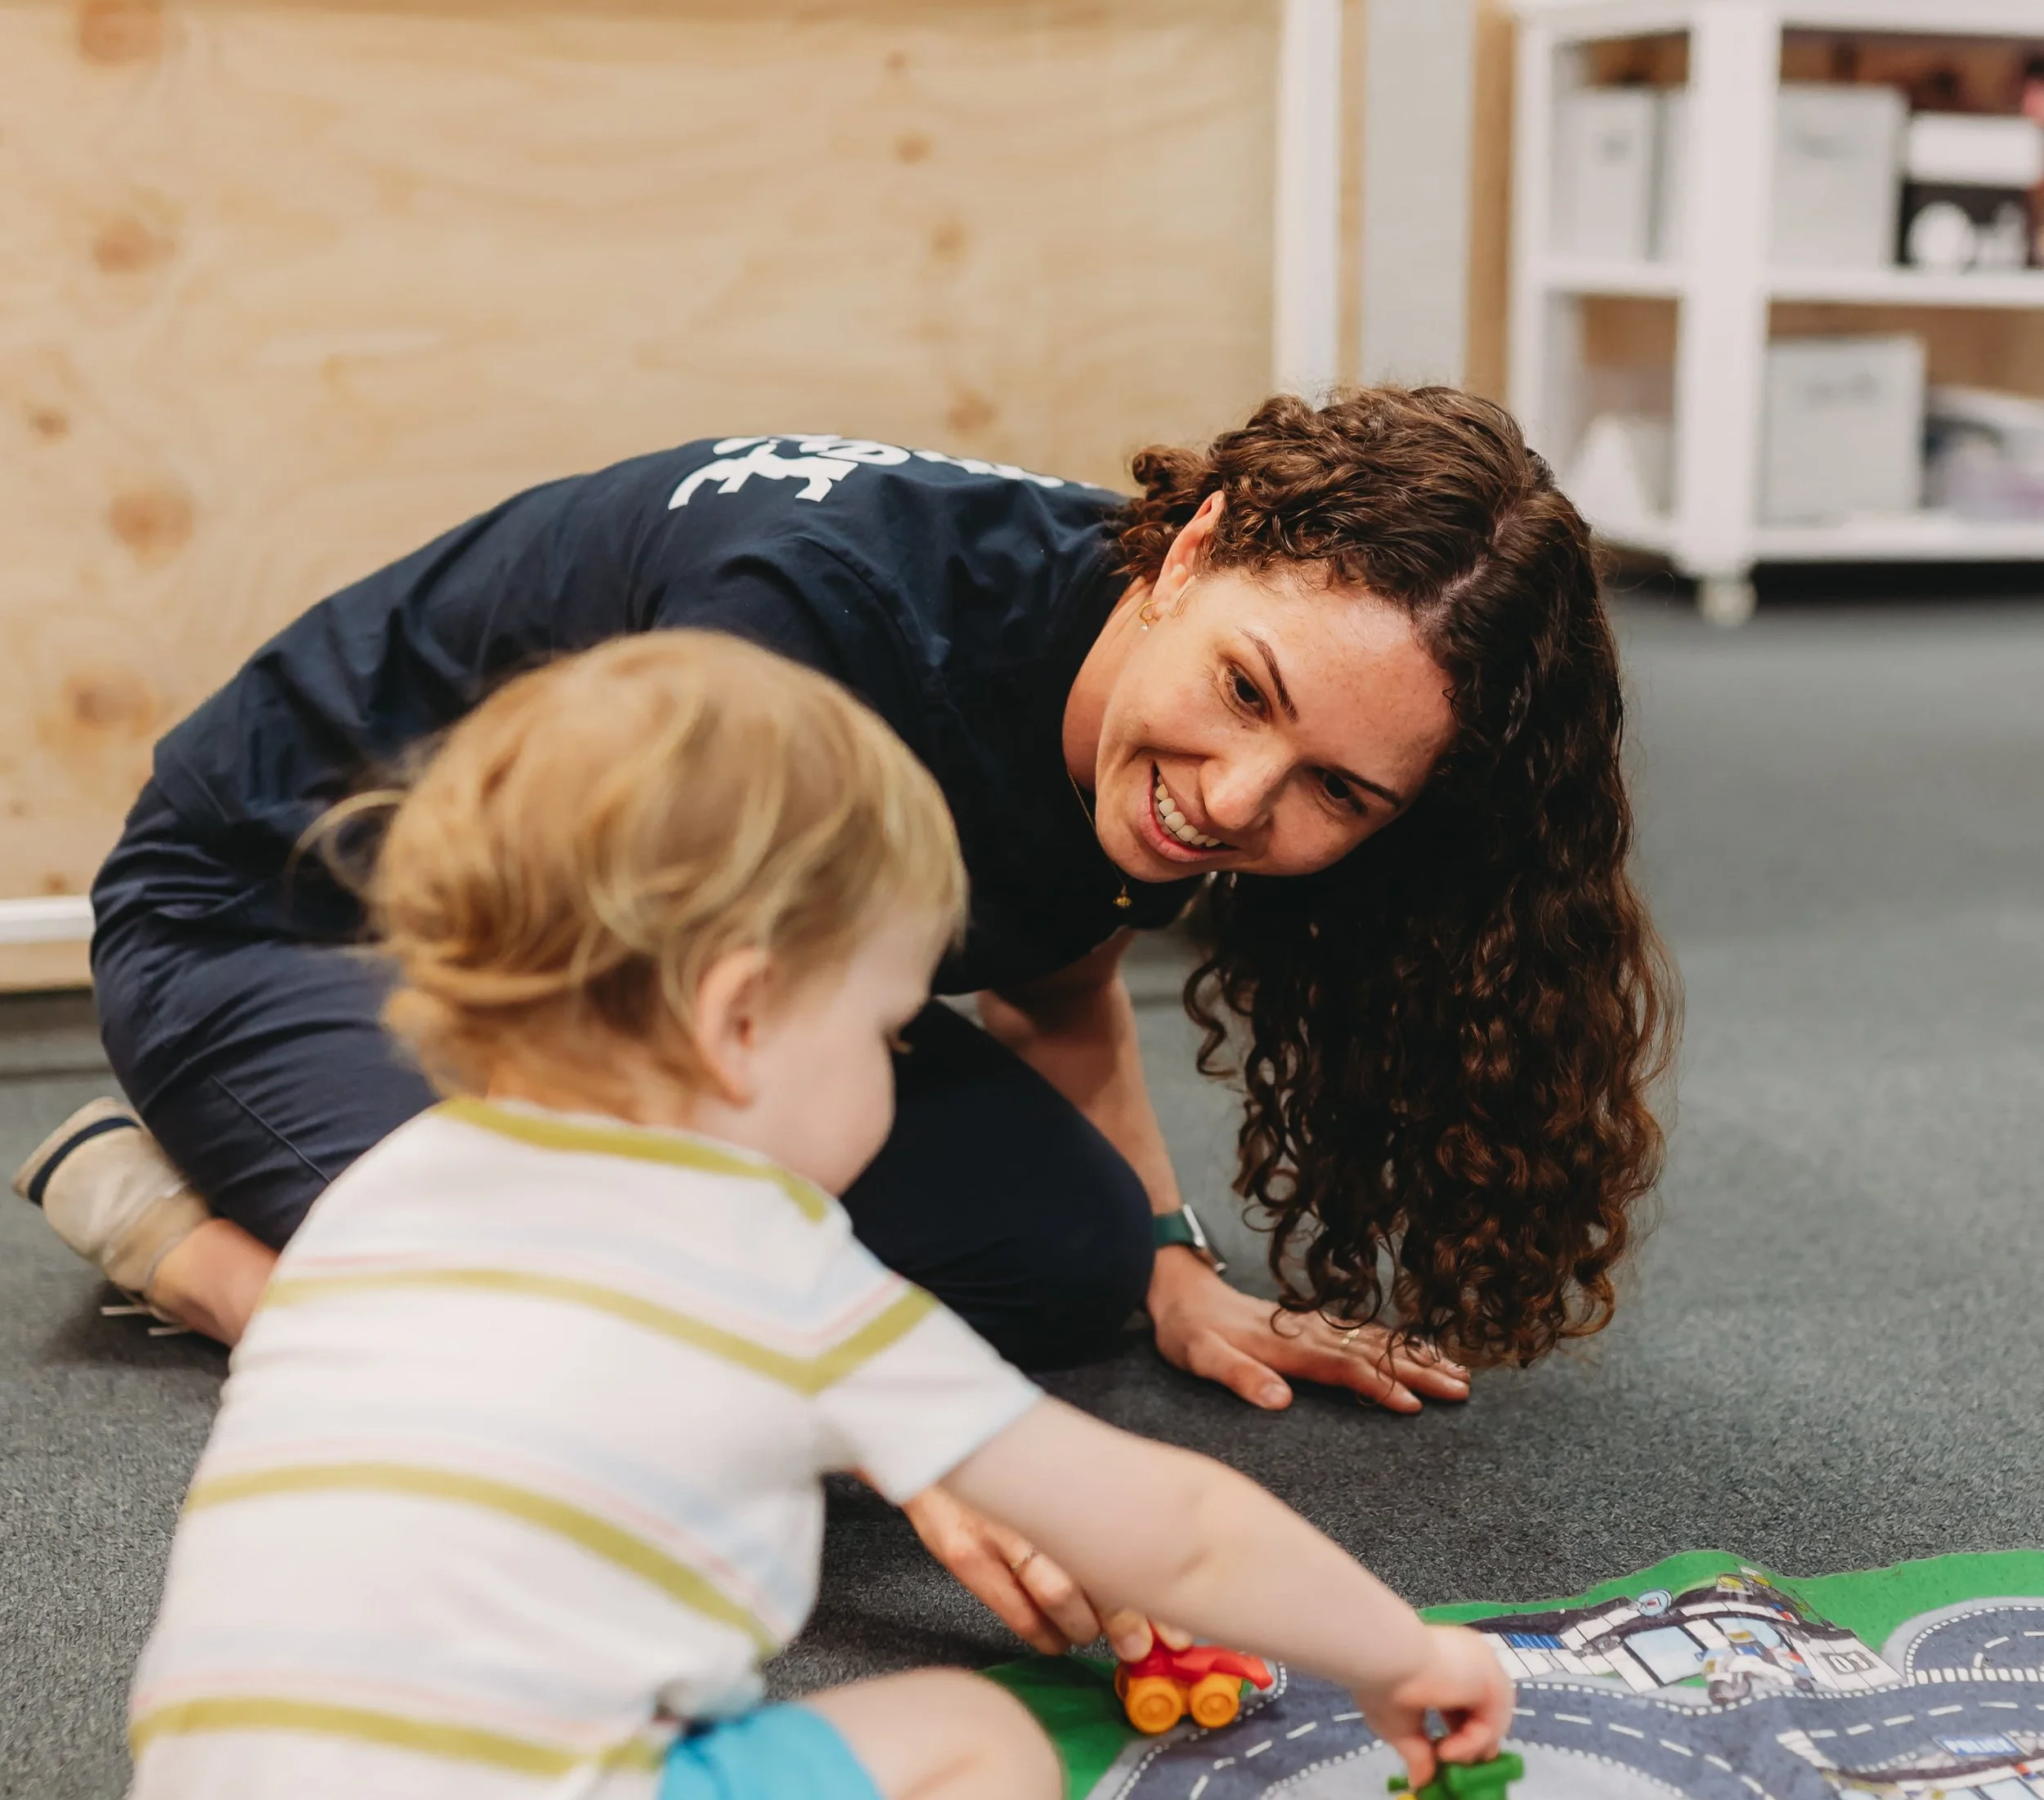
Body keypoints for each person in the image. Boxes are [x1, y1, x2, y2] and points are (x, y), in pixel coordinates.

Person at [102, 634, 1513, 1800]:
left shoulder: (383, 1195)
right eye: (888, 1027)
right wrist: (1402, 1654)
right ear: (740, 1012)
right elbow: (1178, 1522)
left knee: (642, 1728)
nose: (893, 1074)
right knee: (958, 1746)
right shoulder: (771, 1260)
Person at [19, 387, 1672, 1646]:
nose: (1237, 799)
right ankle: (198, 1242)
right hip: (289, 927)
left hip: (685, 990)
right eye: (1247, 699)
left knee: (1075, 1257)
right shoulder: (801, 634)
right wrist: (909, 1446)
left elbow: (1054, 951)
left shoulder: (1169, 720)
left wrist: (1173, 1259)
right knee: (586, 1363)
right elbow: (646, 1100)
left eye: (1337, 793)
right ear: (1186, 552)